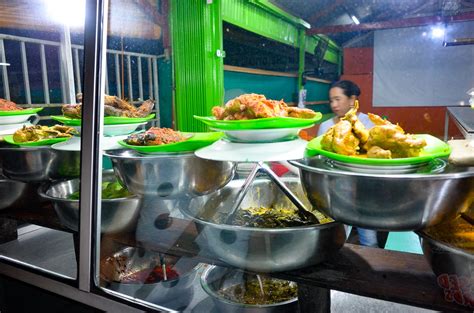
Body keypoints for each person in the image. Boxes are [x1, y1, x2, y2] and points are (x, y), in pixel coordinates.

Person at [317, 80, 384, 248]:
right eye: (331, 100)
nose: (333, 104)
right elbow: (319, 158)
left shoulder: (367, 123)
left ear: (352, 99)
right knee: (337, 236)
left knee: (368, 238)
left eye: (338, 99)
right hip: (336, 189)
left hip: (363, 188)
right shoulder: (326, 126)